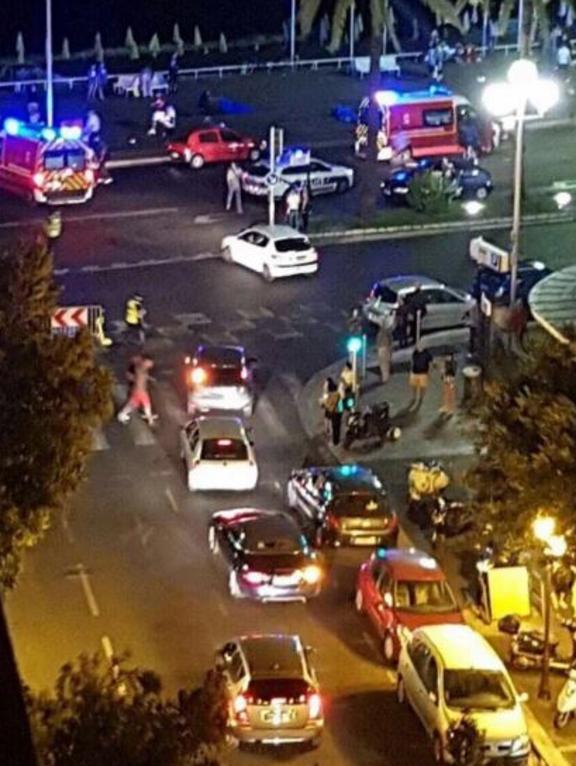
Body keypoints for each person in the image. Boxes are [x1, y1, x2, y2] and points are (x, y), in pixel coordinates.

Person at [117, 354, 158, 426]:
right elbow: (137, 375)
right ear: (145, 362)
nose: (151, 365)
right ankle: (149, 419)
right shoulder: (139, 368)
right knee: (144, 403)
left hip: (140, 390)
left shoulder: (143, 369)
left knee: (134, 404)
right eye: (149, 363)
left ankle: (123, 414)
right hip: (139, 390)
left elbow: (142, 377)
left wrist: (149, 378)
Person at [319, 377, 342, 446]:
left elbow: (326, 404)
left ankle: (334, 441)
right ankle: (328, 432)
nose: (324, 386)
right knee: (327, 421)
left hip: (334, 411)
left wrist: (322, 403)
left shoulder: (332, 394)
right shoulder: (329, 393)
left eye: (325, 385)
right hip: (331, 410)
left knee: (334, 427)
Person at [409, 343, 433, 409]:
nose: (418, 347)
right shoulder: (415, 353)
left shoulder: (427, 354)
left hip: (423, 373)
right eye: (417, 345)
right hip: (414, 372)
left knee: (422, 387)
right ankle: (414, 397)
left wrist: (429, 372)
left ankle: (421, 397)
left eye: (420, 345)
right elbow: (412, 362)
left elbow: (430, 364)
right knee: (414, 386)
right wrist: (411, 370)